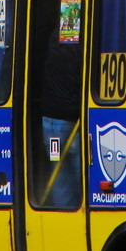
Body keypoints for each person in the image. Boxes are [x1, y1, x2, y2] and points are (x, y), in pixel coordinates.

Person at [39, 23, 83, 208]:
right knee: (80, 172)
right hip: (71, 123)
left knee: (58, 170)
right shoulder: (80, 48)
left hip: (51, 125)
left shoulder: (52, 40)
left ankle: (63, 213)